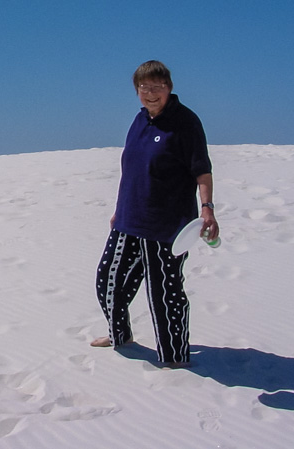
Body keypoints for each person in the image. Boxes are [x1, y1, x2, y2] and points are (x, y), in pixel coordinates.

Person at [92, 60, 218, 367]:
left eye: (157, 87)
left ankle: (174, 357)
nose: (151, 94)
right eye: (144, 88)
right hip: (128, 220)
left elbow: (202, 170)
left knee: (165, 292)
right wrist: (118, 210)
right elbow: (133, 169)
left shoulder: (186, 122)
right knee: (109, 279)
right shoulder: (139, 121)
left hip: (168, 225)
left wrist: (207, 209)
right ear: (137, 91)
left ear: (169, 88)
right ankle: (119, 334)